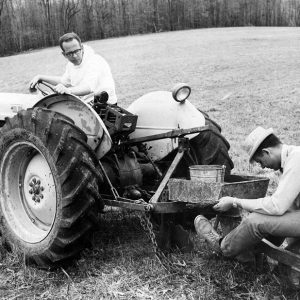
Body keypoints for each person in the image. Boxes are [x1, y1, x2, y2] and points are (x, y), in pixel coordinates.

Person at [194, 126, 300, 262]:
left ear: (266, 152)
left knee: (254, 221)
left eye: (260, 161)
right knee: (267, 215)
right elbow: (288, 206)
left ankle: (222, 246)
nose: (262, 167)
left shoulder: (296, 159)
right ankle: (251, 249)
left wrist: (235, 201)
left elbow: (277, 206)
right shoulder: (292, 157)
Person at [29, 32, 117, 104]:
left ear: (81, 48)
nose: (74, 56)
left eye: (76, 51)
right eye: (70, 53)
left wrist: (68, 90)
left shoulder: (95, 61)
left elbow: (88, 87)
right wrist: (41, 77)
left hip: (105, 107)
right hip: (86, 105)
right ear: (64, 54)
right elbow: (64, 82)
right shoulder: (70, 66)